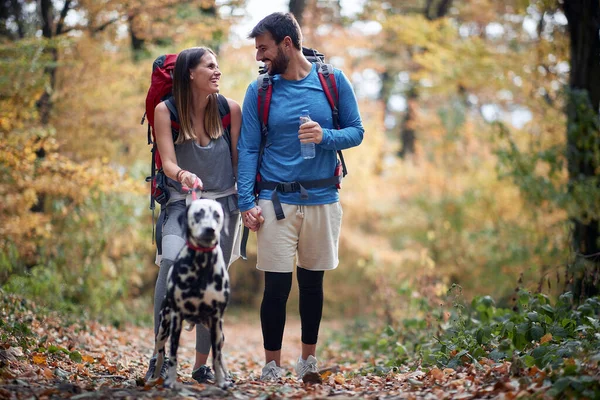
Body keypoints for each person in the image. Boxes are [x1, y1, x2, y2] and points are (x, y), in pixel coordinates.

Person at [237, 12, 364, 382]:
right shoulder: (259, 91)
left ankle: (308, 360)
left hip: (324, 198)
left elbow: (356, 132)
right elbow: (247, 149)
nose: (259, 57)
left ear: (286, 44)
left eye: (263, 48)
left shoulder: (332, 80)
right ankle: (272, 365)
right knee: (275, 287)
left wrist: (326, 136)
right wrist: (246, 201)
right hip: (275, 200)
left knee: (312, 284)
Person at [144, 47, 242, 384]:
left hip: (222, 211)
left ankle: (202, 364)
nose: (218, 71)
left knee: (210, 284)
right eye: (210, 66)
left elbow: (239, 162)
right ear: (190, 73)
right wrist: (182, 175)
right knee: (170, 263)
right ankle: (159, 358)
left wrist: (250, 203)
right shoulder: (165, 111)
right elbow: (167, 161)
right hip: (181, 204)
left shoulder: (230, 109)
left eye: (218, 66)